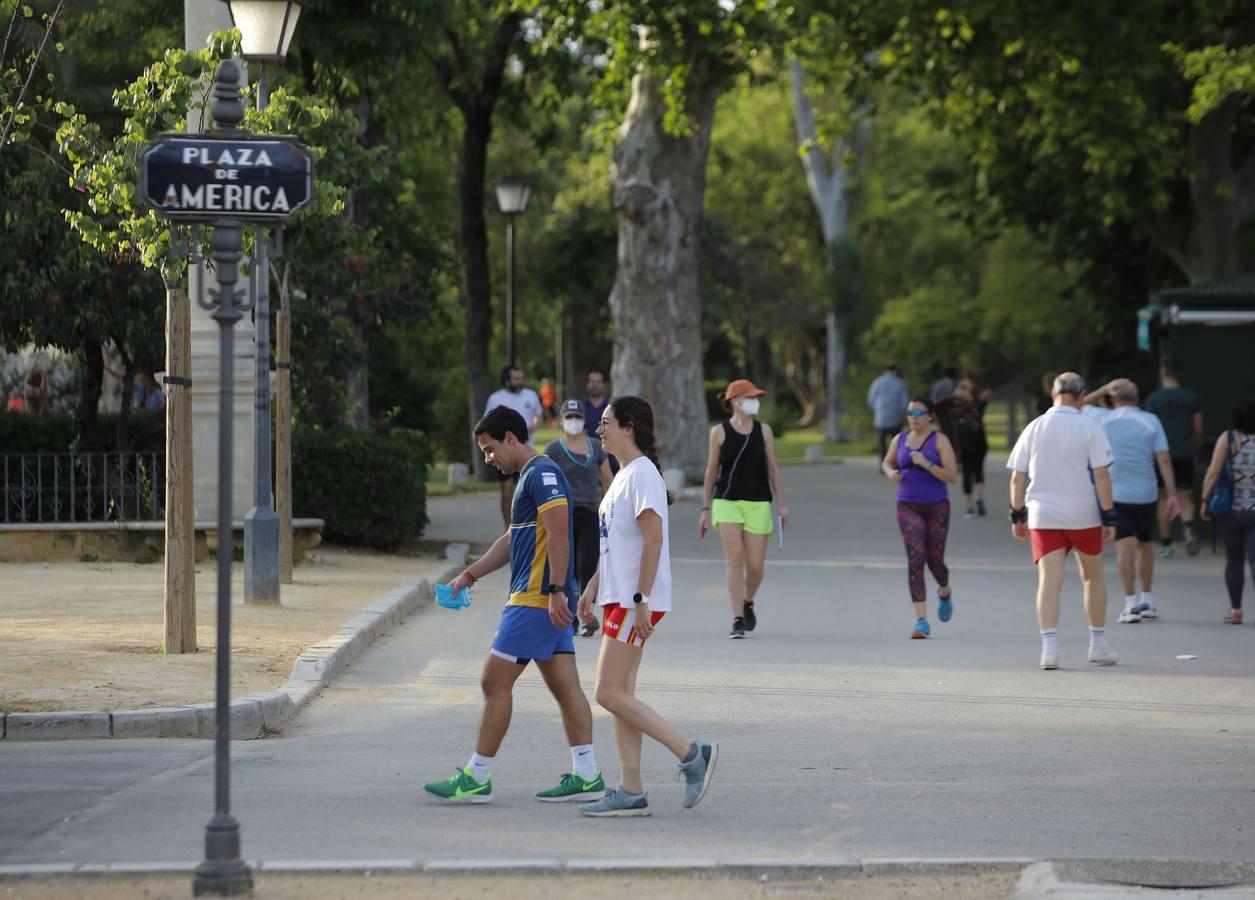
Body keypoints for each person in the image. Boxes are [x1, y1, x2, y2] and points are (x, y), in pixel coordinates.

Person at [423, 406, 603, 805]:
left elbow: (560, 534)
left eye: (489, 449)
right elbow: (511, 539)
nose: (489, 459)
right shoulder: (529, 477)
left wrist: (556, 589)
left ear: (510, 438)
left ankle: (476, 776)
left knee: (494, 681)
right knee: (565, 686)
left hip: (536, 598)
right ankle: (588, 774)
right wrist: (470, 575)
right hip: (541, 595)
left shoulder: (543, 473)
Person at [576, 396, 718, 817]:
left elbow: (653, 540)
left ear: (629, 426)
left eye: (605, 424)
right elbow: (617, 544)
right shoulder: (622, 477)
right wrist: (591, 589)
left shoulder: (642, 477)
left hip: (636, 600)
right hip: (619, 597)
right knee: (621, 694)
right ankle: (631, 789)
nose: (599, 431)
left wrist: (640, 600)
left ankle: (691, 754)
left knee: (606, 691)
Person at [1007, 372, 1119, 670]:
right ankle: (1098, 644)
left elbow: (1018, 478)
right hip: (1083, 514)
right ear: (1082, 396)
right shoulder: (1090, 426)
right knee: (1092, 577)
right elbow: (1102, 475)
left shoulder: (1034, 427)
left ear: (1052, 394)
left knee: (1049, 580)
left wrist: (1017, 515)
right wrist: (1109, 515)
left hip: (1043, 514)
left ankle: (1050, 649)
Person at [1082, 379, 1179, 623]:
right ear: (1137, 399)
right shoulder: (1151, 421)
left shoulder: (1101, 418)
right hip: (1146, 493)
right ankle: (1148, 600)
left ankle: (1130, 603)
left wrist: (1103, 389)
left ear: (1113, 399)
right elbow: (1164, 459)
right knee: (1144, 544)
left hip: (1115, 493)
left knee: (1124, 545)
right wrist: (1173, 494)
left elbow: (1076, 403)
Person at [699, 378, 790, 639]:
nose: (755, 402)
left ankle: (748, 601)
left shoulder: (764, 431)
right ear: (737, 402)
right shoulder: (719, 432)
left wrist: (782, 503)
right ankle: (737, 617)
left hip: (758, 502)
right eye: (750, 398)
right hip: (726, 502)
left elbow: (773, 468)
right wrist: (705, 509)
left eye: (756, 397)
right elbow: (711, 470)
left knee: (756, 565)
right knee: (735, 559)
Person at [882, 397, 959, 639]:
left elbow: (952, 476)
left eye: (918, 412)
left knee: (935, 560)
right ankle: (921, 620)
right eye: (909, 413)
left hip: (937, 505)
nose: (913, 417)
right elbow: (887, 461)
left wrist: (926, 464)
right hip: (907, 505)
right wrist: (890, 473)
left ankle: (944, 591)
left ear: (930, 416)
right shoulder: (900, 439)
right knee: (916, 558)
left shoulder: (940, 441)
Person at [545, 398, 614, 637]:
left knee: (587, 565)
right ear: (561, 420)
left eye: (577, 417)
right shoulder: (553, 449)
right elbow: (546, 482)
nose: (573, 421)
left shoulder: (596, 447)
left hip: (592, 514)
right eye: (568, 417)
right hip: (562, 515)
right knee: (566, 569)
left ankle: (586, 615)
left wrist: (613, 508)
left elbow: (608, 480)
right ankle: (569, 617)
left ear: (584, 420)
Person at [1200, 397, 1255, 625]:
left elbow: (1213, 471)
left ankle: (1235, 610)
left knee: (1234, 560)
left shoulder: (1229, 438)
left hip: (1231, 512)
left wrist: (1205, 500)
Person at [1145, 362, 1203, 557]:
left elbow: (1150, 429)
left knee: (1163, 498)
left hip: (1162, 455)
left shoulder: (1154, 399)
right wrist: (1194, 450)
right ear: (1179, 374)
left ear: (1162, 373)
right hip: (1185, 453)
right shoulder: (1190, 397)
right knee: (1185, 497)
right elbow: (1198, 429)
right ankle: (1187, 528)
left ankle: (1167, 544)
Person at [484, 365, 545, 528]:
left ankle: (529, 527)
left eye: (521, 378)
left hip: (526, 452)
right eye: (516, 379)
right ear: (506, 380)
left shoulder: (530, 395)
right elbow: (486, 425)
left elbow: (538, 415)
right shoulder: (495, 398)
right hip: (503, 453)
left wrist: (533, 425)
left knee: (528, 492)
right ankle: (508, 529)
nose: (520, 382)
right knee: (507, 492)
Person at [949, 375, 991, 518]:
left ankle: (972, 503)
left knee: (971, 471)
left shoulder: (962, 407)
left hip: (972, 442)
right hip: (971, 442)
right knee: (973, 471)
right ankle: (976, 499)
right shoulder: (971, 406)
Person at [868, 363, 909, 460]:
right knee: (896, 443)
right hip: (895, 419)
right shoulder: (900, 383)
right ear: (896, 371)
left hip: (881, 418)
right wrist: (903, 416)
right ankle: (895, 464)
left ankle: (883, 464)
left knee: (882, 444)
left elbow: (870, 401)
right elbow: (904, 404)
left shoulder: (877, 382)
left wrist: (878, 411)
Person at [583, 370, 610, 439]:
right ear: (587, 384)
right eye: (592, 381)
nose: (595, 385)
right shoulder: (581, 408)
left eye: (598, 381)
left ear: (603, 384)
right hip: (587, 448)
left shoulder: (610, 407)